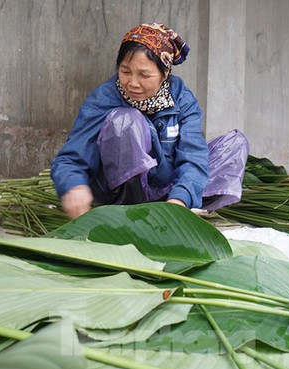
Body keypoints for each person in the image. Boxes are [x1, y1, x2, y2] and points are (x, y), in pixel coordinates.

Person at [51, 22, 249, 220]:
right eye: (125, 71)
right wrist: (73, 186)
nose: (132, 83)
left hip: (168, 190)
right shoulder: (104, 98)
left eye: (144, 75)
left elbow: (192, 155)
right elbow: (70, 158)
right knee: (126, 121)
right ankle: (136, 215)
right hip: (121, 194)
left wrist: (179, 199)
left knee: (235, 144)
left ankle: (179, 207)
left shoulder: (182, 99)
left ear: (165, 74)